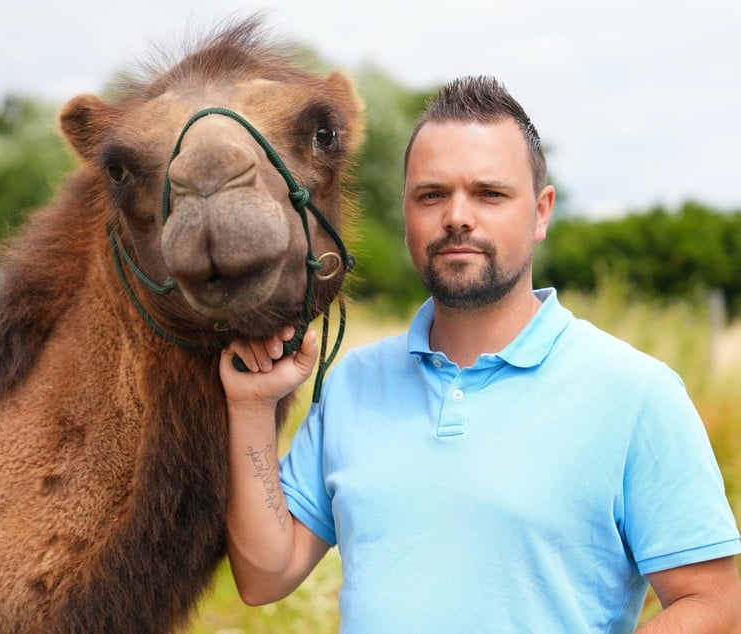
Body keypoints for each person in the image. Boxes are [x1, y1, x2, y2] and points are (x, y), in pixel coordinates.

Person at [219, 75, 741, 632]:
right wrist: (251, 409)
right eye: (432, 195)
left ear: (541, 212)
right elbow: (264, 577)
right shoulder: (353, 384)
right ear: (407, 215)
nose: (457, 216)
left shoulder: (636, 392)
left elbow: (714, 603)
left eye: (489, 194)